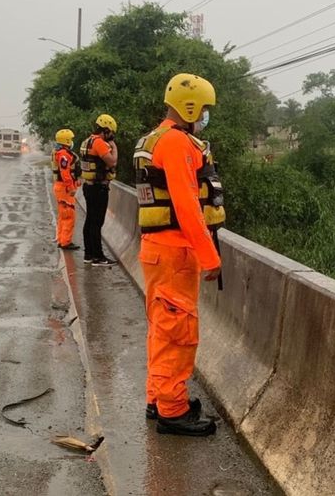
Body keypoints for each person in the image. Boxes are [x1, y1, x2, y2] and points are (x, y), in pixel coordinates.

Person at [133, 73, 225, 437]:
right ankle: (173, 410)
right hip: (174, 253)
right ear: (190, 106)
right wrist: (210, 256)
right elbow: (187, 205)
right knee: (178, 331)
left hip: (157, 251)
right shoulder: (176, 144)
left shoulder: (152, 140)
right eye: (204, 109)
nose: (204, 116)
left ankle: (159, 398)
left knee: (162, 328)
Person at [80, 114, 119, 266]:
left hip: (88, 186)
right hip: (98, 188)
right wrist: (114, 147)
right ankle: (98, 257)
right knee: (97, 222)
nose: (112, 136)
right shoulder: (99, 143)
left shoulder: (87, 141)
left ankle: (88, 254)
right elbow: (112, 161)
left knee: (90, 221)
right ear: (106, 130)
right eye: (111, 133)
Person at [52, 128, 81, 250]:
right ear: (67, 140)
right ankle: (65, 242)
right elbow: (65, 173)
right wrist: (71, 187)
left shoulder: (58, 152)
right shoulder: (63, 154)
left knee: (63, 215)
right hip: (64, 188)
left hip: (60, 187)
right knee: (69, 215)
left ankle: (61, 239)